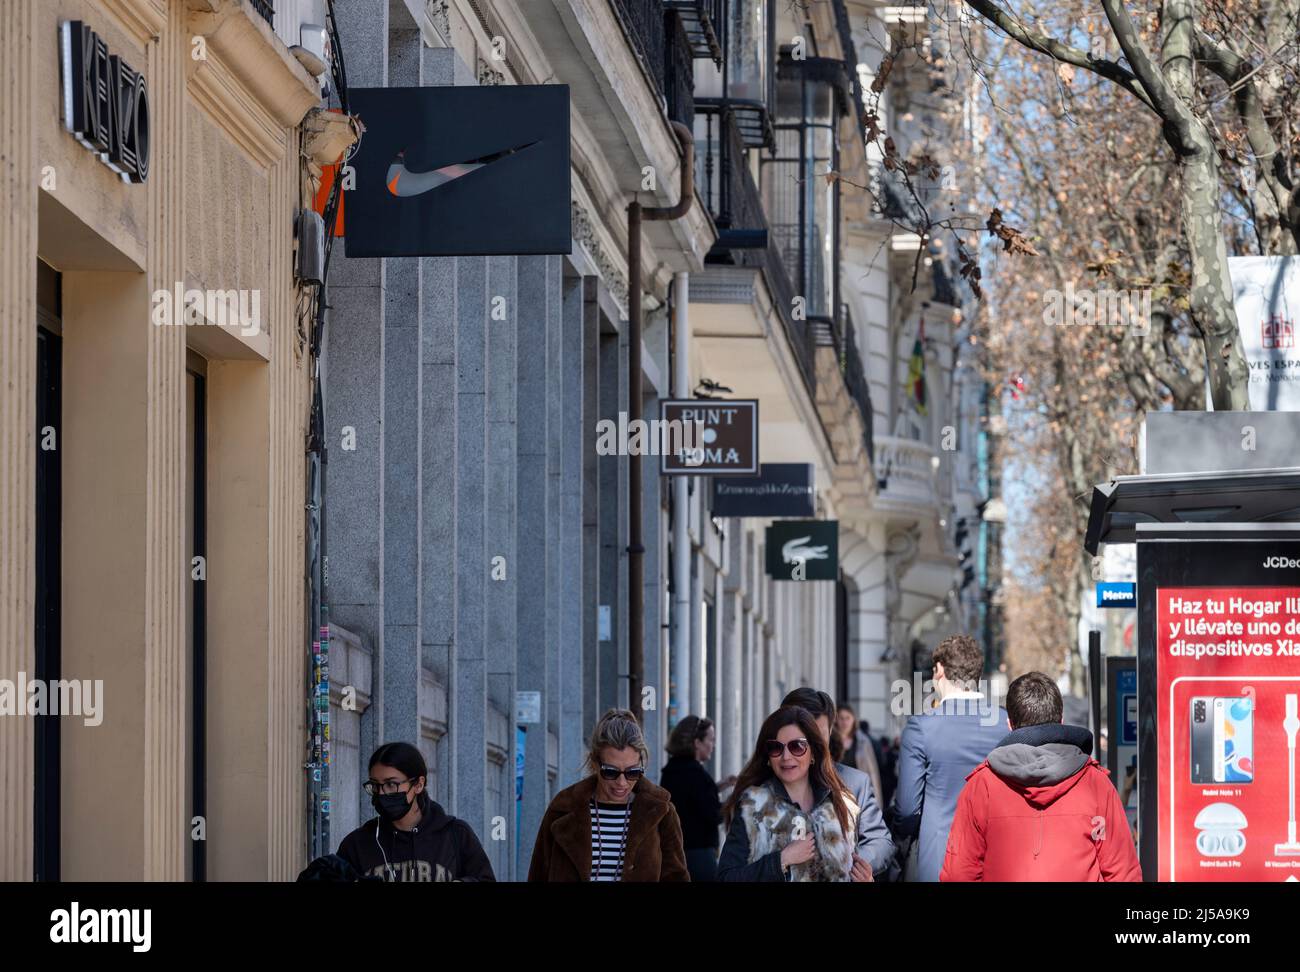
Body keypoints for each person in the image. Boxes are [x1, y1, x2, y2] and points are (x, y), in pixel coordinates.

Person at [940, 672, 1141, 882]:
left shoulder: (982, 786)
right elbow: (1123, 872)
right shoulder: (1095, 783)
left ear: (1009, 724)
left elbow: (959, 874)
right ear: (1061, 720)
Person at [894, 633, 1008, 882]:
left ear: (940, 671)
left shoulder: (921, 727)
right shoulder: (1006, 724)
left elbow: (907, 809)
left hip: (939, 860)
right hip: (998, 858)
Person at [528, 708, 689, 882]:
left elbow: (676, 876)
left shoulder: (661, 812)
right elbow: (539, 873)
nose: (622, 782)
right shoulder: (563, 808)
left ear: (641, 763)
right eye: (611, 772)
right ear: (595, 763)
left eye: (632, 772)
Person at [718, 706, 874, 882]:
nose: (786, 756)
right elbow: (726, 877)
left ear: (813, 752)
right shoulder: (753, 807)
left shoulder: (842, 806)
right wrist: (781, 860)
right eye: (775, 748)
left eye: (797, 746)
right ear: (768, 756)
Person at [336, 741, 495, 882]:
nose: (382, 793)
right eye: (376, 786)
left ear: (419, 784)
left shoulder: (456, 835)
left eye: (391, 784)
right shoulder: (357, 844)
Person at [782, 687, 895, 877]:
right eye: (801, 737)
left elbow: (881, 842)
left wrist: (848, 862)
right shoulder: (759, 792)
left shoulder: (856, 783)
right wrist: (780, 860)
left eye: (818, 735)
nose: (810, 745)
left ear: (830, 732)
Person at [659, 715, 724, 882]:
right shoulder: (696, 774)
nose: (713, 745)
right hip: (699, 857)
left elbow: (689, 801)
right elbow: (713, 814)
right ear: (697, 742)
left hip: (673, 855)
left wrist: (717, 787)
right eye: (711, 739)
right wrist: (738, 801)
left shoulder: (671, 771)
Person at [835, 702, 884, 808]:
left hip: (858, 797)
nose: (844, 722)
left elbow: (872, 773)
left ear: (853, 720)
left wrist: (876, 804)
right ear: (836, 720)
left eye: (848, 718)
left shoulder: (863, 742)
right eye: (841, 718)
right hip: (835, 796)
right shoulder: (830, 741)